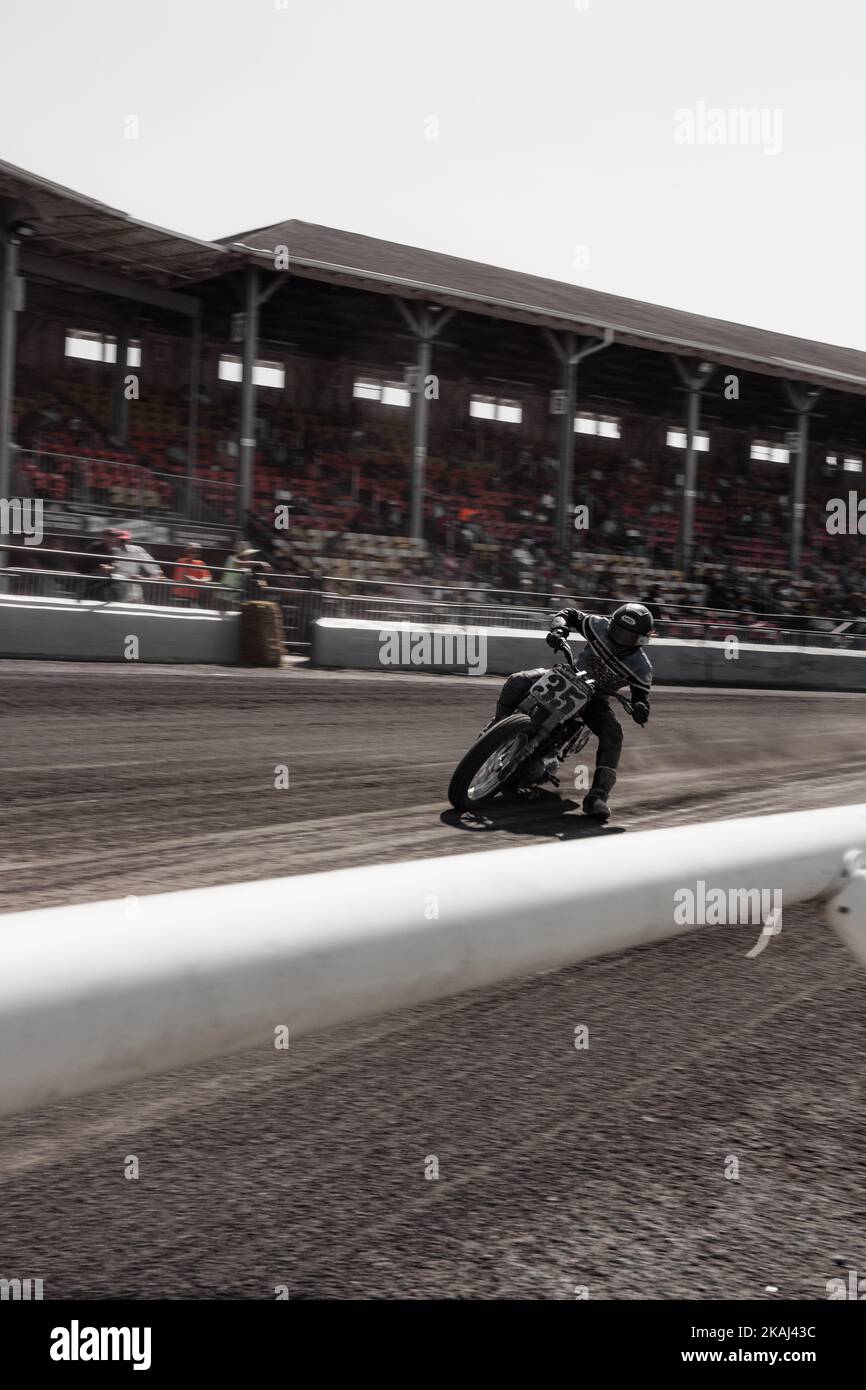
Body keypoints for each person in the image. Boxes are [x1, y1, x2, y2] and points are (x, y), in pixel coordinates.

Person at [490, 601, 654, 820]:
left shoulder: (641, 667)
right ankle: (496, 728)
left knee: (613, 732)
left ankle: (598, 796)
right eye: (617, 630)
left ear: (641, 640)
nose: (618, 638)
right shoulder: (598, 625)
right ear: (611, 624)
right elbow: (568, 614)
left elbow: (640, 696)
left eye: (627, 636)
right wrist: (559, 629)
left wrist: (640, 707)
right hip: (568, 674)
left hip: (595, 699)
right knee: (517, 681)